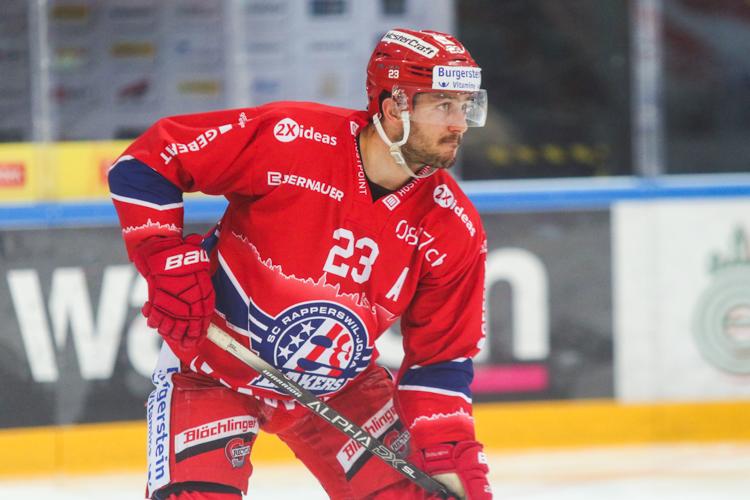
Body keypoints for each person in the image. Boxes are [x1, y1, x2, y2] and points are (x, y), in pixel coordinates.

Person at [109, 28, 492, 500]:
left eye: (466, 106)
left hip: (340, 389)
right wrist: (163, 256)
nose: (460, 124)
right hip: (209, 369)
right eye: (444, 105)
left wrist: (449, 451)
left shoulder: (453, 227)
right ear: (395, 107)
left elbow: (441, 358)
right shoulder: (291, 138)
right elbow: (147, 163)